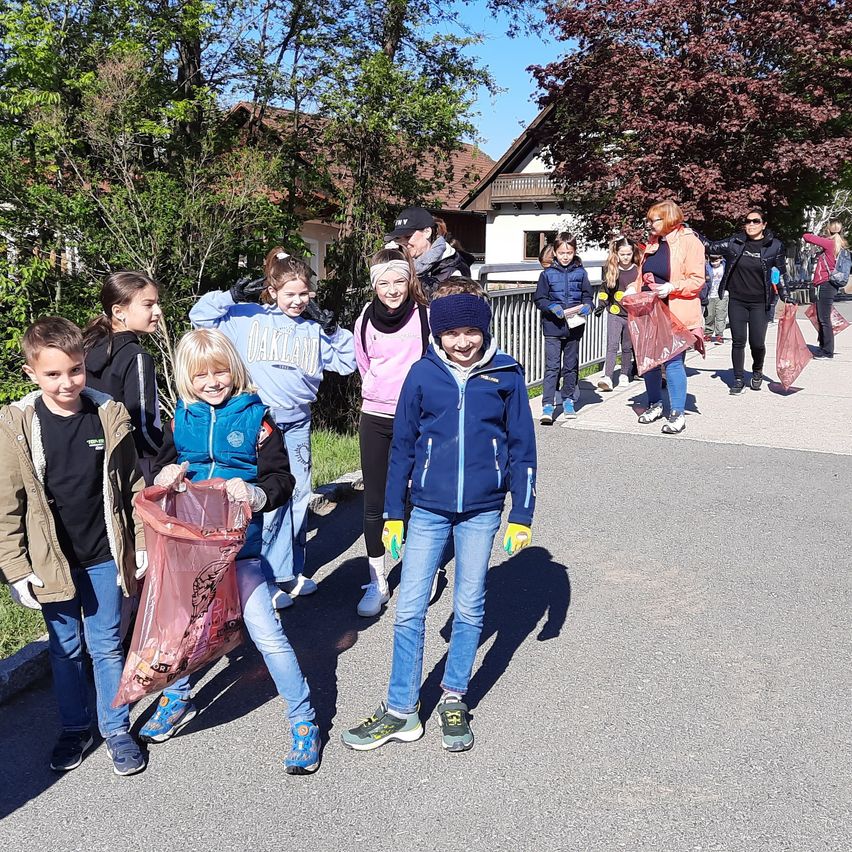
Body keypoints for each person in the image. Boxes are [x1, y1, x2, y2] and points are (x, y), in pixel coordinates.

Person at [340, 279, 536, 754]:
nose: (463, 341)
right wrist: (392, 514)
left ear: (484, 330)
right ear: (438, 334)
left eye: (472, 331)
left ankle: (453, 696)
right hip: (425, 509)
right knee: (408, 609)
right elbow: (402, 448)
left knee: (469, 607)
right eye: (453, 333)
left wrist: (522, 514)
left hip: (484, 512)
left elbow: (522, 449)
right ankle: (401, 709)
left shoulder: (505, 374)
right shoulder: (422, 375)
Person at [139, 329, 320, 774]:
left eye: (220, 371)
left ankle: (304, 720)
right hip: (192, 553)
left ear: (233, 370)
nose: (212, 382)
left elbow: (282, 479)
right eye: (201, 376)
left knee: (267, 632)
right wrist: (167, 475)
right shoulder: (180, 417)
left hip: (242, 551)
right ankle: (177, 696)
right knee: (183, 633)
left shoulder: (259, 418)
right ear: (187, 378)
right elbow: (164, 462)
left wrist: (257, 494)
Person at [0, 317, 147, 776]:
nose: (67, 382)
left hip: (104, 553)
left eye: (76, 370)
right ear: (31, 373)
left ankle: (116, 728)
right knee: (65, 647)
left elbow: (131, 485)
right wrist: (15, 566)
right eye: (54, 374)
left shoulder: (107, 413)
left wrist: (140, 540)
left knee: (105, 644)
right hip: (51, 562)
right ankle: (73, 727)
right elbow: (7, 503)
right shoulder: (16, 425)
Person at [189, 248, 356, 609]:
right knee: (264, 500)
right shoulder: (249, 317)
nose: (297, 301)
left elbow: (348, 362)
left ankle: (288, 571)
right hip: (258, 425)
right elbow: (198, 317)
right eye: (289, 294)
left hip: (296, 423)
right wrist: (230, 297)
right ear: (273, 291)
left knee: (296, 498)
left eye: (304, 294)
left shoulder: (314, 329)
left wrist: (332, 328)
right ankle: (263, 577)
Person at [353, 246, 429, 617]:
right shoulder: (365, 317)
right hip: (375, 417)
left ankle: (417, 572)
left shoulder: (424, 316)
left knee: (415, 496)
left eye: (399, 281)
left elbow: (433, 364)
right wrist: (380, 392)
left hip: (416, 418)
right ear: (374, 286)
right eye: (384, 283)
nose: (393, 289)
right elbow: (363, 362)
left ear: (409, 280)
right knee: (376, 502)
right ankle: (377, 579)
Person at [629, 201, 705, 434]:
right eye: (649, 220)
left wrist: (672, 287)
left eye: (654, 220)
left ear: (670, 219)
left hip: (676, 312)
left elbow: (697, 280)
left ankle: (678, 413)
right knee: (650, 361)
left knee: (672, 362)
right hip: (651, 310)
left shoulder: (690, 241)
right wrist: (635, 286)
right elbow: (644, 275)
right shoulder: (653, 243)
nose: (649, 224)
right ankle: (655, 404)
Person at [83, 271, 163, 483]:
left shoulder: (86, 347)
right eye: (148, 304)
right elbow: (143, 424)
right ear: (118, 311)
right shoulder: (137, 357)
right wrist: (166, 458)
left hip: (96, 458)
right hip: (135, 465)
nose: (158, 311)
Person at [703, 208, 793, 392]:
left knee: (757, 342)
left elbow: (781, 274)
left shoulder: (774, 246)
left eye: (756, 221)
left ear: (764, 224)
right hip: (737, 300)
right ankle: (738, 379)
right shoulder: (735, 242)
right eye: (748, 221)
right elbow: (710, 246)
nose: (751, 225)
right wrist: (687, 231)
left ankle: (757, 370)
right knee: (738, 341)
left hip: (761, 302)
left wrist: (786, 296)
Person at [534, 232, 593, 423]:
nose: (565, 256)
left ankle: (568, 400)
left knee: (570, 366)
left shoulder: (581, 273)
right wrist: (551, 307)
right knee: (552, 367)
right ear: (555, 253)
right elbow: (540, 298)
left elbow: (587, 296)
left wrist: (587, 307)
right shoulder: (547, 274)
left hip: (574, 327)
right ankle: (548, 404)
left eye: (569, 252)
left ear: (574, 252)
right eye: (561, 253)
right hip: (553, 326)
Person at [386, 206, 470, 297]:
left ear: (427, 232)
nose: (403, 243)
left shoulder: (452, 269)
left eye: (408, 237)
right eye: (398, 238)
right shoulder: (400, 263)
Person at [596, 236, 638, 390]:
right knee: (612, 345)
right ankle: (607, 376)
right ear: (617, 254)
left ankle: (624, 373)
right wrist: (601, 304)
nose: (626, 257)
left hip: (631, 314)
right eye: (623, 254)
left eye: (628, 254)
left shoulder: (637, 271)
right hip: (614, 312)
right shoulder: (611, 270)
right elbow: (604, 290)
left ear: (632, 253)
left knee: (627, 346)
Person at [803, 220, 848, 359]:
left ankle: (827, 351)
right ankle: (823, 346)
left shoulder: (829, 243)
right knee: (823, 316)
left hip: (826, 284)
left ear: (829, 230)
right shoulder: (841, 244)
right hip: (830, 284)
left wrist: (816, 234)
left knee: (824, 318)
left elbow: (806, 237)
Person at [703, 255, 728, 345]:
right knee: (709, 315)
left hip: (722, 294)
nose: (714, 262)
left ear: (721, 259)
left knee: (721, 315)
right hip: (710, 295)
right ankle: (708, 333)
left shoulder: (726, 266)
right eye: (712, 260)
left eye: (716, 260)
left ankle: (719, 335)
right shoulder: (706, 267)